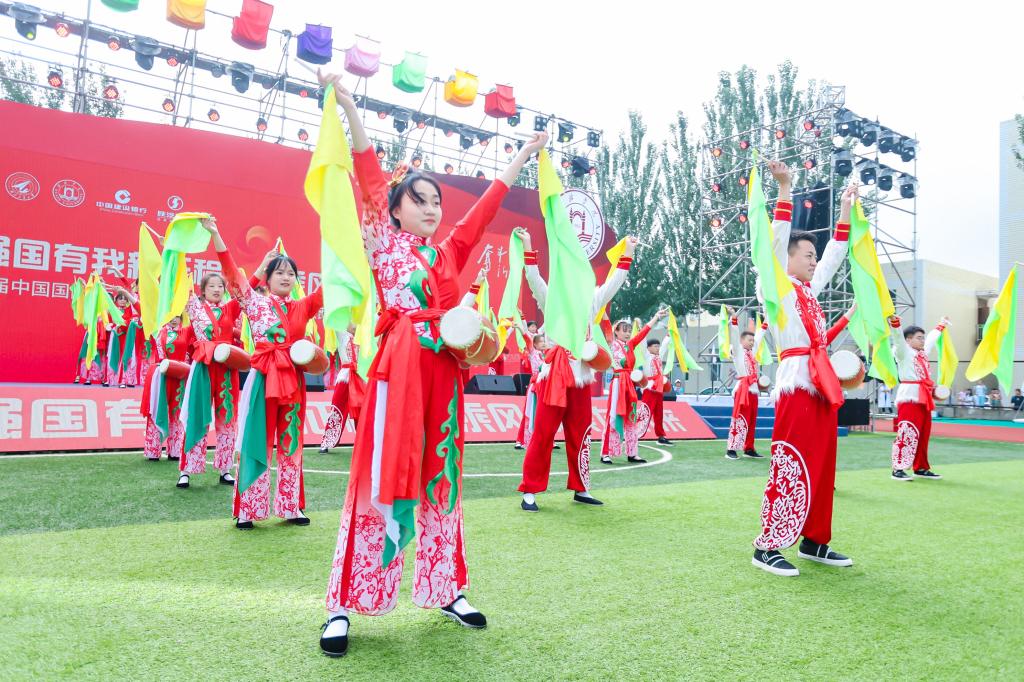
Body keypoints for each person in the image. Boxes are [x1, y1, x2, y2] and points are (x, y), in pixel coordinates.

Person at [316, 70, 549, 657]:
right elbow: (369, 176)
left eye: (436, 201)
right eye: (417, 200)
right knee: (378, 479)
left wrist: (523, 155)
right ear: (394, 211)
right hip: (397, 374)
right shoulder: (384, 244)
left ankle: (446, 588)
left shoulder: (446, 254)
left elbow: (486, 209)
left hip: (443, 377)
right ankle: (343, 603)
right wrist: (349, 106)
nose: (430, 208)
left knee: (442, 480)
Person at [750, 160, 857, 578]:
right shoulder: (775, 286)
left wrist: (845, 211)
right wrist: (785, 189)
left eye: (814, 255)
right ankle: (768, 545)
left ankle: (814, 540)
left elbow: (835, 255)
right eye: (807, 255)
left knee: (823, 464)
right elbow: (775, 241)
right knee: (790, 460)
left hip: (821, 385)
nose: (814, 261)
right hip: (795, 383)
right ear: (788, 258)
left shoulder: (809, 292)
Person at [200, 218, 324, 530]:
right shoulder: (254, 303)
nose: (286, 277)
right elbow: (231, 274)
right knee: (257, 442)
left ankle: (291, 506)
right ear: (266, 279)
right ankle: (248, 509)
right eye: (279, 272)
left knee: (291, 443)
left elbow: (330, 287)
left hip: (293, 380)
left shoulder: (304, 306)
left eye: (291, 273)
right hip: (264, 378)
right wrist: (216, 234)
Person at [517, 228, 635, 511]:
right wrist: (529, 244)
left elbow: (614, 284)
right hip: (553, 378)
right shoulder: (552, 299)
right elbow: (533, 278)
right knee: (543, 434)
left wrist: (629, 252)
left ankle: (581, 488)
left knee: (581, 434)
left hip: (581, 377)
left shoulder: (591, 300)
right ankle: (530, 490)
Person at [175, 261, 270, 489]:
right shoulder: (195, 308)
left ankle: (225, 469)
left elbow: (247, 286)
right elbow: (178, 285)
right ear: (203, 290)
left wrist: (264, 264)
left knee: (227, 420)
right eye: (211, 286)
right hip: (204, 369)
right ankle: (186, 470)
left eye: (220, 286)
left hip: (227, 369)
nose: (217, 289)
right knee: (196, 417)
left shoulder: (230, 309)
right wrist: (176, 261)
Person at [601, 310, 668, 464]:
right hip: (618, 383)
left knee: (631, 418)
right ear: (616, 332)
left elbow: (643, 333)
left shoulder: (630, 345)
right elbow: (606, 326)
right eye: (624, 330)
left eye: (629, 330)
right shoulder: (611, 343)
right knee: (613, 417)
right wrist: (602, 309)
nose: (627, 333)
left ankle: (632, 453)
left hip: (629, 384)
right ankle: (606, 453)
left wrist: (656, 317)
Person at [889, 317, 950, 480]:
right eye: (919, 337)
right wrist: (895, 325)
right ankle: (898, 468)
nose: (923, 340)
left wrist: (940, 326)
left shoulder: (921, 354)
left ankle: (921, 467)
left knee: (923, 434)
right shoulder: (903, 352)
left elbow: (931, 340)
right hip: (909, 397)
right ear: (908, 340)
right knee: (907, 431)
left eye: (923, 337)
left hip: (924, 397)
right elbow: (898, 338)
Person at [140, 316, 195, 462]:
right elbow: (145, 311)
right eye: (171, 316)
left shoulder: (186, 331)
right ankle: (153, 450)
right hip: (161, 376)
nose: (174, 320)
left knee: (177, 413)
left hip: (179, 376)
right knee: (157, 411)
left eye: (177, 316)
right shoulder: (159, 331)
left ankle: (175, 451)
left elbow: (198, 323)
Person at [725, 313, 768, 460]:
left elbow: (760, 336)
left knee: (751, 421)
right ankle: (731, 449)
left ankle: (749, 448)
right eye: (749, 340)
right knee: (739, 419)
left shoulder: (752, 352)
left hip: (753, 391)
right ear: (741, 341)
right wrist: (734, 319)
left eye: (752, 341)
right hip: (743, 390)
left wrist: (766, 320)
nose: (752, 342)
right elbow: (734, 335)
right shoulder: (737, 351)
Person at [318, 324, 366, 453]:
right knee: (337, 408)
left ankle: (364, 443)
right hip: (345, 375)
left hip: (362, 375)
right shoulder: (341, 331)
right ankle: (327, 442)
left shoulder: (366, 330)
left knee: (362, 411)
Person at [514, 328, 547, 451]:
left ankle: (543, 440)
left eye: (544, 341)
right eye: (541, 341)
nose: (543, 343)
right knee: (529, 412)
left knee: (543, 414)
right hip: (535, 387)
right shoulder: (533, 352)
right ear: (535, 344)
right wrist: (520, 327)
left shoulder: (546, 355)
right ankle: (522, 440)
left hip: (544, 386)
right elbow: (527, 339)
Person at [641, 335, 674, 445]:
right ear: (648, 348)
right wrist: (641, 330)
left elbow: (664, 345)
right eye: (655, 346)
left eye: (658, 346)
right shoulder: (646, 355)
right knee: (645, 412)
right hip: (649, 388)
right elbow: (642, 343)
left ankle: (661, 436)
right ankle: (635, 434)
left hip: (659, 388)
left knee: (659, 414)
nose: (657, 348)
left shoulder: (659, 356)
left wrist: (669, 334)